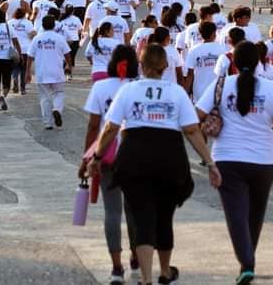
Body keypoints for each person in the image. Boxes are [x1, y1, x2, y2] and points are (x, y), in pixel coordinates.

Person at [86, 43, 220, 285]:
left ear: (142, 65)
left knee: (142, 215)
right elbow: (191, 130)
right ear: (165, 67)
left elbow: (110, 127)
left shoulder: (128, 90)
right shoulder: (176, 92)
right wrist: (210, 163)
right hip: (169, 156)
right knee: (164, 216)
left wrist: (96, 157)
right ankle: (165, 271)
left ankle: (146, 278)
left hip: (134, 156)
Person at [196, 41, 273, 284]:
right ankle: (247, 262)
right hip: (264, 161)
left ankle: (247, 263)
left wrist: (203, 151)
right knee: (255, 215)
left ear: (233, 61)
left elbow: (197, 117)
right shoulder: (270, 88)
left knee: (236, 215)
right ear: (258, 62)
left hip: (227, 159)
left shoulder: (220, 85)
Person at [78, 45, 140, 284]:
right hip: (135, 156)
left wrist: (87, 157)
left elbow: (94, 126)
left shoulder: (100, 87)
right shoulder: (139, 86)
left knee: (112, 212)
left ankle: (116, 267)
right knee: (134, 210)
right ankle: (137, 254)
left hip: (107, 156)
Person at [26, 16, 72, 130]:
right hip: (57, 71)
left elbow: (30, 56)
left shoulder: (37, 39)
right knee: (59, 93)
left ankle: (48, 123)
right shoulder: (59, 38)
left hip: (42, 72)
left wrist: (27, 72)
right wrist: (69, 66)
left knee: (44, 97)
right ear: (54, 25)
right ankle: (57, 109)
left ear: (42, 25)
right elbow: (67, 54)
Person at [184, 21, 226, 100]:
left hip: (199, 92)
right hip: (217, 91)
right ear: (214, 33)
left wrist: (186, 93)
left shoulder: (194, 50)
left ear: (200, 33)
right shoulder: (222, 49)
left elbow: (190, 74)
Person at [8, 7, 36, 95]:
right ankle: (23, 88)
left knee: (14, 67)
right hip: (26, 49)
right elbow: (32, 34)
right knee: (24, 69)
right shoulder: (27, 23)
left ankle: (15, 79)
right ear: (24, 14)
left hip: (13, 49)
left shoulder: (10, 22)